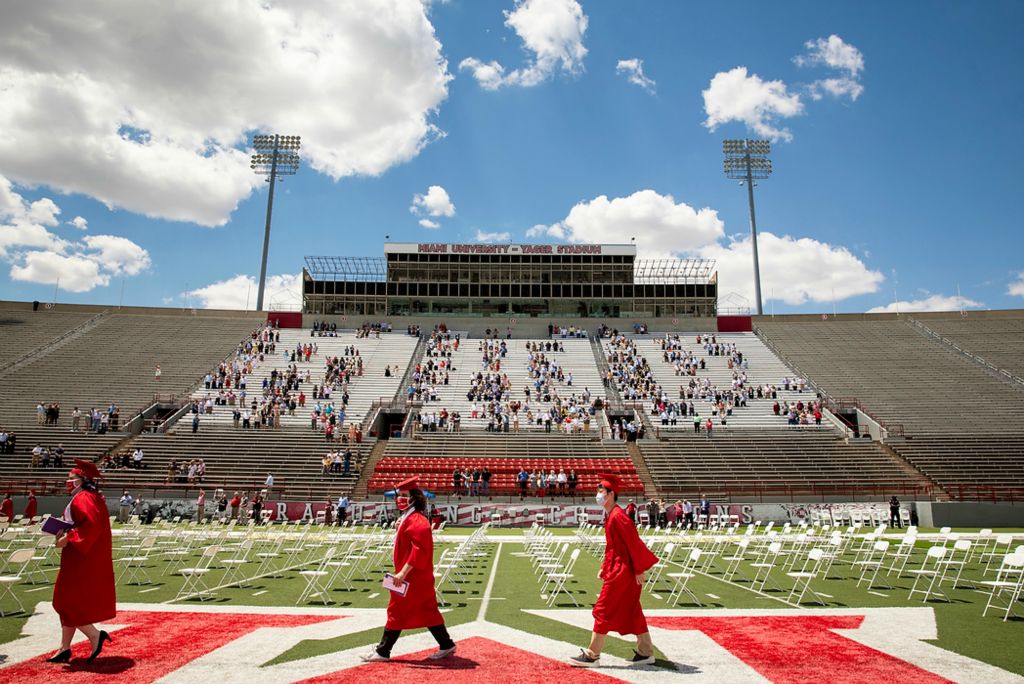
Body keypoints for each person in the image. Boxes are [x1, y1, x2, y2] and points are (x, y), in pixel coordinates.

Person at [362, 476, 456, 662]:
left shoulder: (417, 520)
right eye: (400, 495)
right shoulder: (410, 518)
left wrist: (402, 573)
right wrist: (400, 526)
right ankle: (446, 644)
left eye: (405, 495)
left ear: (414, 498)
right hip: (418, 577)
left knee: (396, 610)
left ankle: (383, 651)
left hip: (412, 577)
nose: (400, 499)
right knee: (428, 610)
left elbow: (418, 550)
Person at [570, 473, 658, 668]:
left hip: (623, 572)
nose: (598, 494)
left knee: (602, 609)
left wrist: (639, 569)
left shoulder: (619, 516)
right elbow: (613, 547)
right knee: (632, 610)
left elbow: (633, 543)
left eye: (600, 490)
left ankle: (593, 655)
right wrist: (604, 566)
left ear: (610, 494)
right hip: (618, 568)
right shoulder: (610, 515)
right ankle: (646, 653)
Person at [48, 459, 115, 664]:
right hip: (80, 555)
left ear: (82, 480)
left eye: (71, 478)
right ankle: (65, 648)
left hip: (80, 557)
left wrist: (67, 538)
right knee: (69, 601)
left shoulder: (83, 498)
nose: (68, 481)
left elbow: (90, 526)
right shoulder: (88, 497)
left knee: (65, 601)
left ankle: (94, 635)